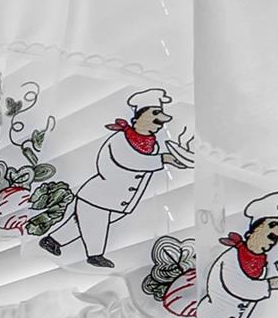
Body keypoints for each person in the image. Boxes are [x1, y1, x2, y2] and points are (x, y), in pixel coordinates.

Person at [38, 88, 193, 267]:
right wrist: (163, 159)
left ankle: (52, 241)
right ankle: (95, 255)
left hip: (119, 200)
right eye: (154, 118)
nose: (158, 125)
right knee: (95, 224)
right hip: (97, 196)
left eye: (159, 123)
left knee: (84, 223)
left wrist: (170, 160)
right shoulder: (120, 139)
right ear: (140, 116)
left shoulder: (152, 145)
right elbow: (130, 160)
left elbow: (146, 166)